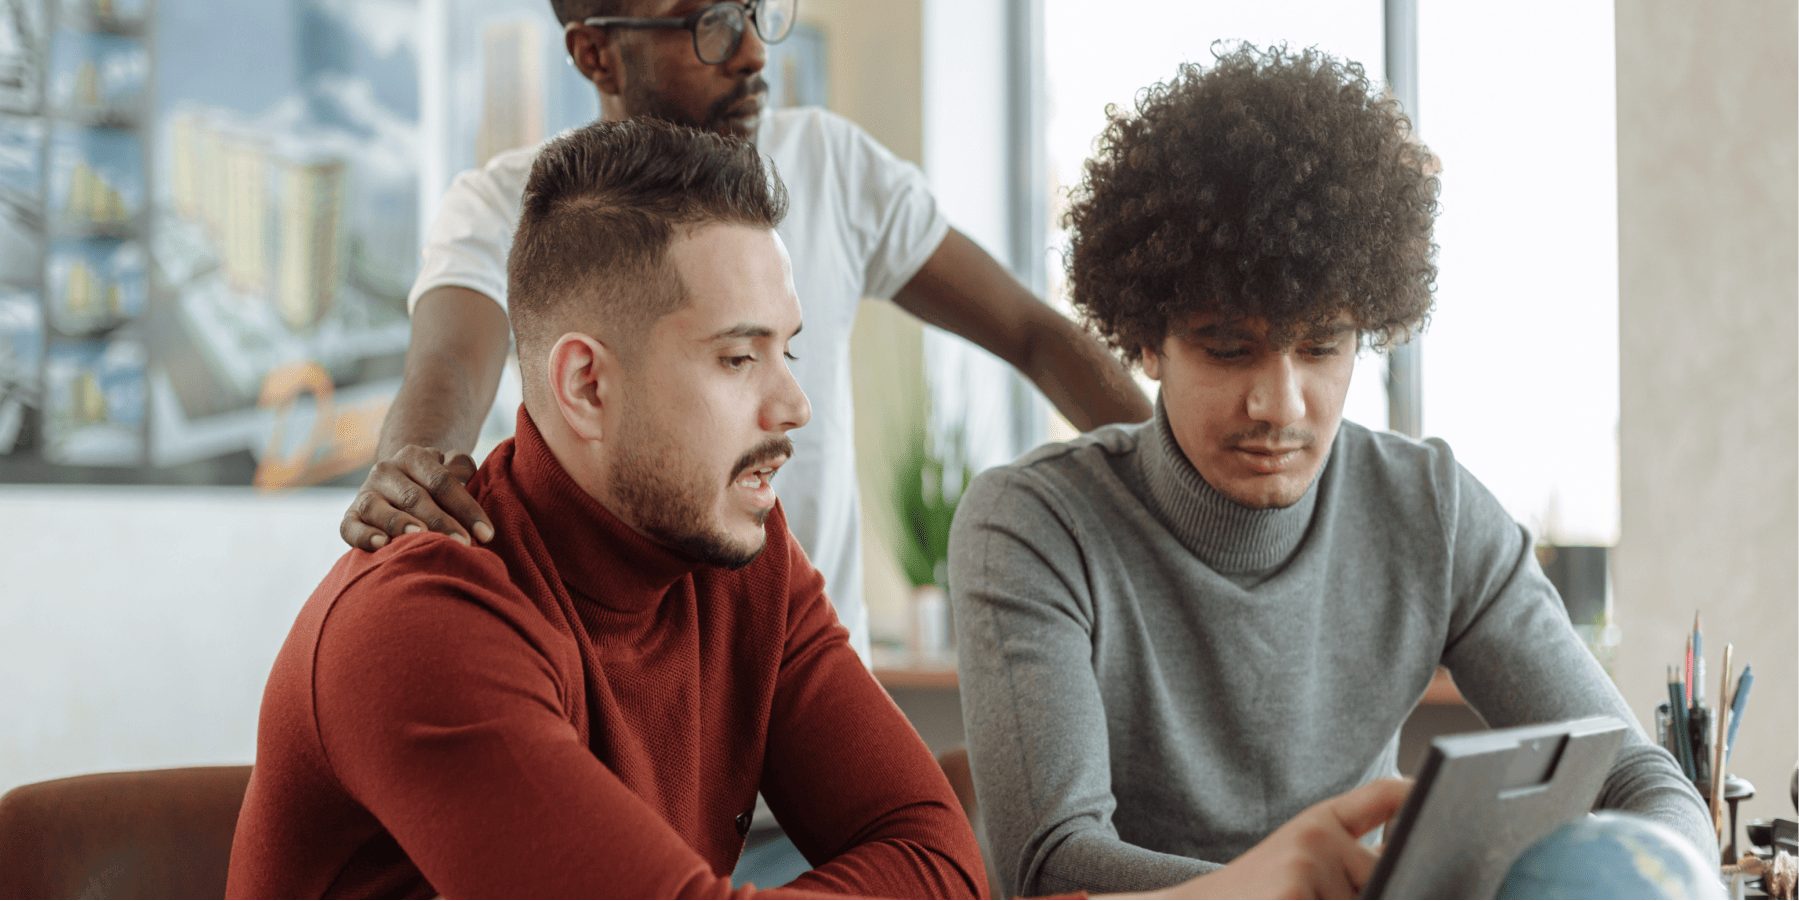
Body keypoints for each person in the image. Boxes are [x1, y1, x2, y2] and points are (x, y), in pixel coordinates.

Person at [230, 118, 1415, 901]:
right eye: (740, 359)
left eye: (788, 348)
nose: (795, 403)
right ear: (585, 382)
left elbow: (941, 860)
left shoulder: (740, 555)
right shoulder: (423, 626)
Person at [947, 45, 1716, 899]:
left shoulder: (1431, 511)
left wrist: (1665, 874)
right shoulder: (1032, 524)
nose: (1280, 404)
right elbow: (1051, 867)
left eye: (1322, 346)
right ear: (1143, 341)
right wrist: (1289, 885)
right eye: (1228, 348)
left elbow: (1639, 781)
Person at [337, 0, 1151, 663]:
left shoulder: (833, 166)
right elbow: (446, 361)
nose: (754, 52)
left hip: (813, 710)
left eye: (759, 12)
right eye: (710, 23)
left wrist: (1181, 486)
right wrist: (415, 467)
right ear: (595, 54)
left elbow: (1033, 332)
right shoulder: (509, 206)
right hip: (623, 720)